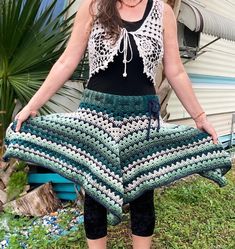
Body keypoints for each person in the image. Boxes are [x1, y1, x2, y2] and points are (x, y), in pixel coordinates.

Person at [2, 0, 232, 248]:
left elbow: (175, 70)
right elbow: (67, 61)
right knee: (94, 194)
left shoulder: (162, 11)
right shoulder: (93, 7)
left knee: (144, 193)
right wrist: (31, 107)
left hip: (143, 119)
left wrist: (200, 117)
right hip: (96, 115)